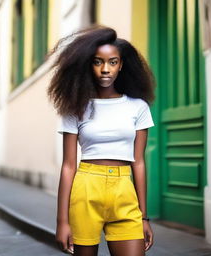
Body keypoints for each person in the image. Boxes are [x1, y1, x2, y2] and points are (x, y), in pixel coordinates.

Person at [47, 25, 156, 256]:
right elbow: (68, 166)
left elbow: (139, 162)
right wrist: (62, 221)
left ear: (121, 65)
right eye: (98, 62)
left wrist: (144, 216)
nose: (105, 69)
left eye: (112, 62)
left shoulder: (138, 107)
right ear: (89, 65)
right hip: (86, 189)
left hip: (125, 193)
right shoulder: (76, 108)